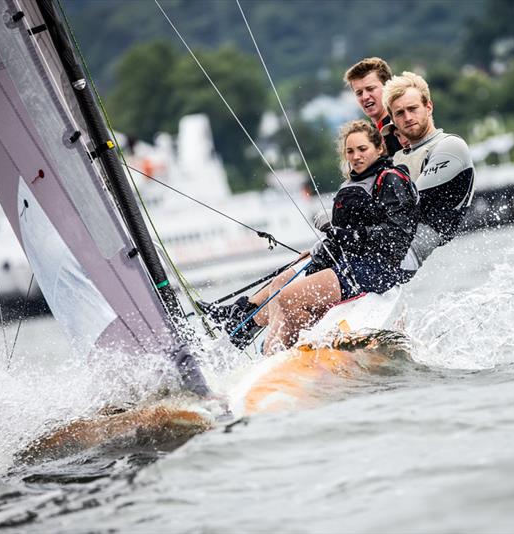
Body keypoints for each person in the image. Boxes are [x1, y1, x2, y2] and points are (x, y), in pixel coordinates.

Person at [199, 120, 418, 354]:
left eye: (362, 149)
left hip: (377, 269)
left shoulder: (390, 179)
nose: (356, 156)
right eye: (350, 151)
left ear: (379, 149)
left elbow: (397, 235)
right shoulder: (354, 183)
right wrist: (321, 249)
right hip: (350, 262)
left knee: (287, 298)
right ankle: (255, 337)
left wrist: (339, 234)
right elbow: (343, 238)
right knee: (279, 284)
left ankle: (288, 351)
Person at [382, 71, 475, 277]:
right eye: (399, 113)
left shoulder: (450, 146)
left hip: (406, 256)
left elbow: (407, 202)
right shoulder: (400, 157)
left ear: (428, 106)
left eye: (413, 109)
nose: (407, 117)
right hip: (385, 246)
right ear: (394, 120)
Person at [344, 57, 404, 157]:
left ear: (387, 87)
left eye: (370, 89)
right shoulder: (370, 133)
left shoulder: (400, 127)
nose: (365, 97)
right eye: (359, 93)